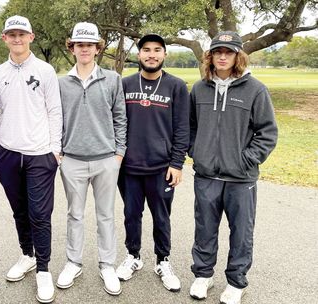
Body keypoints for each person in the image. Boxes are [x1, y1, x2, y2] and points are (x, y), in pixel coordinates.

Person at [188, 31, 277, 304]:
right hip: (206, 175)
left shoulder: (255, 90)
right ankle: (203, 276)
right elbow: (191, 127)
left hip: (241, 178)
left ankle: (236, 283)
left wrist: (246, 159)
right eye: (218, 52)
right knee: (204, 228)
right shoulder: (199, 88)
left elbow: (267, 133)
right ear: (210, 56)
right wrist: (197, 152)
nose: (223, 56)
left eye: (228, 52)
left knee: (241, 232)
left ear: (238, 55)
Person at [0, 15, 62, 304]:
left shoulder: (45, 70)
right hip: (8, 153)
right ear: (5, 38)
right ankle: (27, 255)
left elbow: (54, 111)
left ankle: (43, 268)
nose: (17, 38)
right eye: (11, 34)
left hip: (40, 154)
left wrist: (55, 150)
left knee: (40, 215)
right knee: (19, 211)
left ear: (31, 37)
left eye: (22, 34)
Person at [55, 22, 127, 296]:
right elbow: (57, 119)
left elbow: (120, 118)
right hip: (72, 160)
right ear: (72, 48)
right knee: (74, 214)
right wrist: (59, 151)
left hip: (106, 159)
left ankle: (107, 265)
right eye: (79, 44)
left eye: (89, 45)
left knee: (106, 215)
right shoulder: (62, 82)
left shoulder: (112, 79)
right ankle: (74, 262)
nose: (84, 49)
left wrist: (118, 154)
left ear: (97, 48)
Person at [115, 34, 189, 293]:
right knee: (131, 215)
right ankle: (133, 257)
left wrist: (177, 163)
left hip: (161, 167)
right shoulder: (124, 84)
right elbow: (115, 123)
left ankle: (163, 261)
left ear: (165, 54)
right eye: (146, 50)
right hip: (129, 167)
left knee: (161, 217)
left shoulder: (177, 86)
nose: (151, 55)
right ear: (139, 54)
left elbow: (182, 129)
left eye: (157, 50)